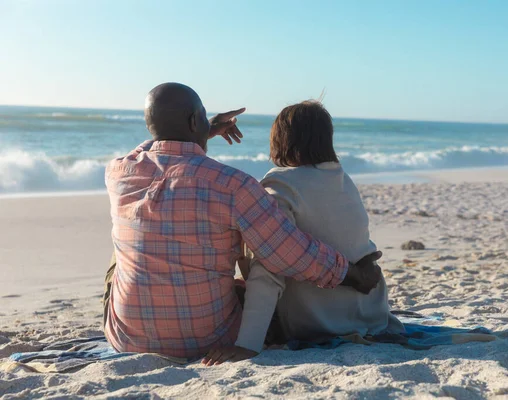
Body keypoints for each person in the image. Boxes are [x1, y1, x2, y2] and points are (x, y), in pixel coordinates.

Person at [103, 83, 382, 360]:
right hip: (209, 339)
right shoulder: (234, 185)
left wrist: (199, 133)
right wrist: (353, 274)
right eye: (201, 116)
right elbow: (290, 253)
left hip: (127, 339)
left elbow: (161, 149)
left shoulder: (117, 173)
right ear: (193, 121)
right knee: (255, 252)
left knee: (124, 249)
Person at [203, 101, 404, 365]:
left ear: (281, 139)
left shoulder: (282, 185)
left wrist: (248, 345)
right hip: (370, 314)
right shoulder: (343, 179)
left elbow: (269, 266)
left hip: (320, 321)